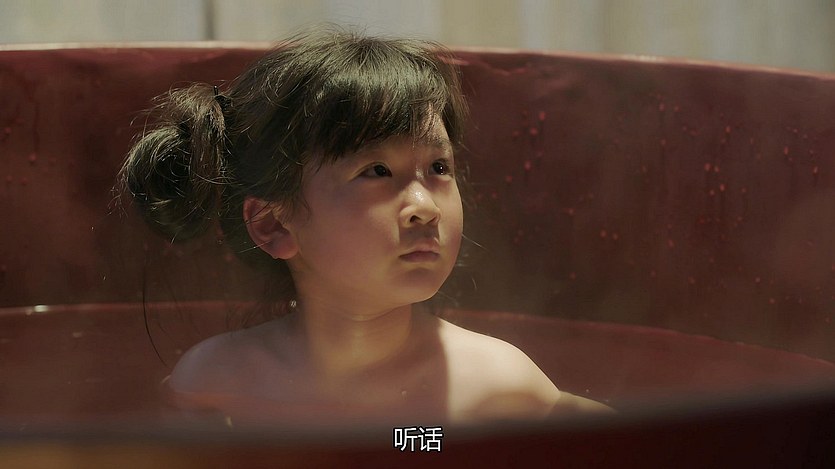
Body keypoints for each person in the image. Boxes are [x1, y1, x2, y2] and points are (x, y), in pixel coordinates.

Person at [119, 28, 608, 426]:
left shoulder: (496, 387)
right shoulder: (216, 384)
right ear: (273, 224)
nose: (424, 208)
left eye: (439, 168)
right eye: (376, 171)